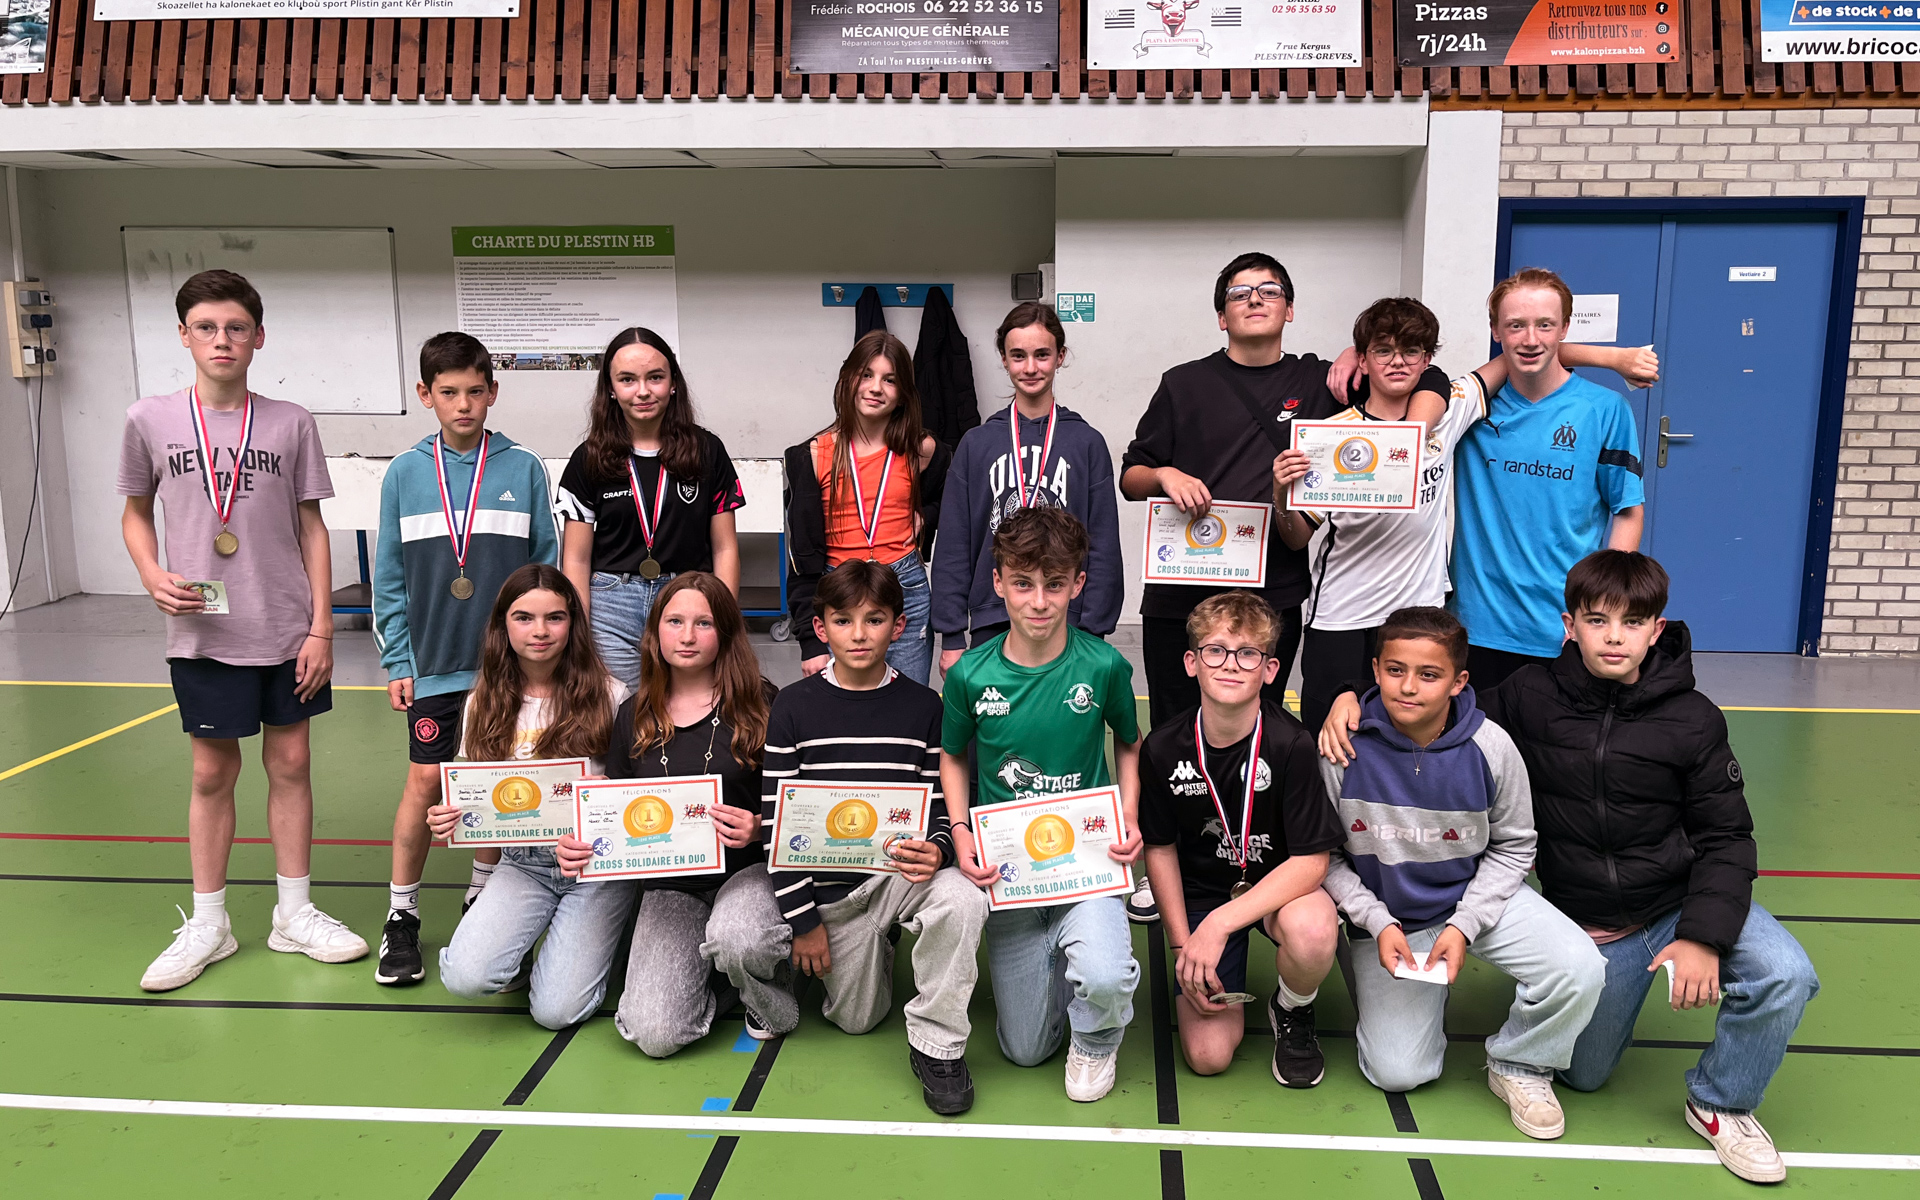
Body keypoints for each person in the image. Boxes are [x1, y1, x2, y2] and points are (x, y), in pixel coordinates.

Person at [1480, 552, 1815, 1183]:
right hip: (1593, 922)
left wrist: (1702, 937)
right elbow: (1440, 710)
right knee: (1585, 1076)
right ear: (1569, 626)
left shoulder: (1694, 718)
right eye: (1597, 620)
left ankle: (1721, 1103)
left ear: (1656, 630)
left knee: (1785, 973)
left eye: (1633, 622)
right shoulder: (1528, 696)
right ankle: (1551, 1018)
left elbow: (1727, 837)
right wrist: (1353, 703)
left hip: (1676, 903)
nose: (1615, 636)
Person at [118, 268, 367, 992]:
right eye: (206, 328)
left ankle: (294, 913)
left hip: (286, 626)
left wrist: (321, 628)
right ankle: (209, 923)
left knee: (291, 764)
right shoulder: (148, 419)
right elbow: (135, 512)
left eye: (235, 328)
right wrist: (149, 572)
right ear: (184, 336)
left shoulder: (290, 422)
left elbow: (312, 527)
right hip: (202, 628)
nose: (221, 340)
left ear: (259, 337)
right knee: (210, 771)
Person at [1294, 299, 1660, 733]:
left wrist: (1613, 359)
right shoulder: (1337, 434)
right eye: (1382, 350)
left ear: (1426, 359)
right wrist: (1284, 493)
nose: (1397, 360)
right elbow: (1298, 533)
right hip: (1343, 615)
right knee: (1330, 733)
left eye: (1411, 351)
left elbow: (1527, 352)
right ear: (1364, 357)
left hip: (1421, 609)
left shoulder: (1450, 411)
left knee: (1415, 734)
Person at [1120, 253, 1450, 732]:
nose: (1255, 299)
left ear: (1289, 309)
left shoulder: (1322, 383)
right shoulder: (1182, 383)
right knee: (1174, 728)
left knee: (1261, 726)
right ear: (1222, 317)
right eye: (1239, 293)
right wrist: (1165, 476)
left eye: (1270, 291)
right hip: (1181, 593)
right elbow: (1131, 477)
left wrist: (1351, 354)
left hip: (1272, 589)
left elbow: (1426, 373)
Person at [706, 560, 987, 1115]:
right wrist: (805, 922)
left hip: (891, 880)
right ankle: (789, 980)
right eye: (843, 621)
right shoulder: (793, 706)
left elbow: (941, 803)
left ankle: (938, 1045)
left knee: (963, 897)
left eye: (874, 620)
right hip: (823, 891)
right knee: (855, 1020)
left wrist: (939, 848)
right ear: (821, 627)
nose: (859, 634)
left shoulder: (925, 707)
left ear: (899, 627)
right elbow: (779, 825)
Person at [1318, 606, 1604, 1139]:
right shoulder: (1341, 749)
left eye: (1429, 675)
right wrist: (1376, 921)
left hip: (1475, 899)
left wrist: (1464, 924)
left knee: (1579, 967)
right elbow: (1326, 857)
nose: (1409, 687)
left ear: (1458, 681)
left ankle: (1520, 1062)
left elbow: (1515, 847)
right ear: (1375, 670)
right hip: (1390, 920)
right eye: (1395, 670)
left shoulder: (1491, 747)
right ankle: (1399, 983)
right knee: (1398, 1073)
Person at [371, 331, 562, 987]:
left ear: (492, 393)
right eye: (448, 392)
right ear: (425, 395)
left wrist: (543, 655)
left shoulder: (524, 468)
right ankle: (401, 915)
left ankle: (482, 894)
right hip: (433, 663)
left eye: (474, 391)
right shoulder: (404, 473)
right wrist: (399, 660)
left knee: (491, 781)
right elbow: (389, 577)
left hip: (506, 669)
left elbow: (546, 569)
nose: (463, 404)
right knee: (426, 781)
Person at [943, 507, 1143, 1104]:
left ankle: (1097, 1037)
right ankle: (1062, 961)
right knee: (1025, 1050)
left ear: (1078, 584)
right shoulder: (970, 674)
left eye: (1054, 584)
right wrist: (960, 831)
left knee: (1106, 976)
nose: (1038, 601)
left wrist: (1129, 813)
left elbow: (1129, 741)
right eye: (1023, 583)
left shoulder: (1103, 666)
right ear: (998, 582)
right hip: (1011, 877)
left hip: (1088, 867)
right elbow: (953, 756)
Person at [558, 573, 776, 1057]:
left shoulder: (761, 703)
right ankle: (720, 978)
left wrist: (759, 827)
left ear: (725, 632)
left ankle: (766, 987)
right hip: (671, 886)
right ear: (655, 631)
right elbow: (614, 807)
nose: (688, 636)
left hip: (748, 872)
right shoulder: (633, 712)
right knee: (655, 1035)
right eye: (675, 621)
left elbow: (795, 804)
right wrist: (580, 841)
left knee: (740, 937)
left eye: (704, 623)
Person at [1138, 592, 1344, 1085]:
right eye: (1215, 650)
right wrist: (1183, 946)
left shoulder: (1292, 743)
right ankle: (1211, 972)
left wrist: (1220, 924)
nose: (1230, 664)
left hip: (1276, 890)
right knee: (1208, 1056)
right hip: (1201, 894)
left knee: (1315, 929)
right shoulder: (1162, 747)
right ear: (1191, 663)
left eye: (1248, 653)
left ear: (1270, 670)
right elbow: (1160, 849)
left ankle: (1293, 1006)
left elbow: (1311, 862)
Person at [430, 565, 634, 1029]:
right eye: (524, 617)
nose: (540, 631)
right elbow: (475, 794)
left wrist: (606, 801)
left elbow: (630, 793)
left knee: (555, 1012)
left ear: (573, 623)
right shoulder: (482, 701)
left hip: (595, 869)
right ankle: (528, 947)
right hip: (523, 865)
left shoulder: (612, 695)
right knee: (464, 978)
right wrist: (450, 815)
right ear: (502, 624)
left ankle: (612, 935)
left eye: (554, 617)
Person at [1449, 268, 1647, 690]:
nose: (1530, 339)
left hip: (1566, 629)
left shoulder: (1605, 409)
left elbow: (1627, 510)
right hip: (1477, 628)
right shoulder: (1471, 410)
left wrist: (1604, 613)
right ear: (1495, 330)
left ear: (1565, 328)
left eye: (1545, 325)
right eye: (1515, 325)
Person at [933, 302, 1122, 675]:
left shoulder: (1086, 443)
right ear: (1004, 359)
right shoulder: (976, 444)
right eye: (1018, 356)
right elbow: (954, 542)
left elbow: (1102, 542)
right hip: (992, 617)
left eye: (1042, 355)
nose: (1031, 367)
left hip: (1068, 620)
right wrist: (952, 635)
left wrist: (1094, 631)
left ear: (1060, 357)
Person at [557, 327, 745, 691]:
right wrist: (580, 632)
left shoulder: (706, 450)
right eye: (627, 379)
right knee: (620, 710)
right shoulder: (589, 458)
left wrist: (722, 619)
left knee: (682, 705)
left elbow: (725, 548)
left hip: (688, 600)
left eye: (655, 377)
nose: (642, 391)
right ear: (611, 389)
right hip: (610, 607)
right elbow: (576, 559)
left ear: (673, 383)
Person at [785, 330, 948, 685]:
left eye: (890, 380)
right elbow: (801, 557)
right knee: (843, 705)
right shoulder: (812, 456)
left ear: (903, 393)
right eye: (866, 375)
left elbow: (950, 506)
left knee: (907, 701)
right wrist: (810, 641)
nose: (876, 388)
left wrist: (927, 517)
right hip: (838, 589)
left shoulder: (922, 451)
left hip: (905, 587)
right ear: (847, 379)